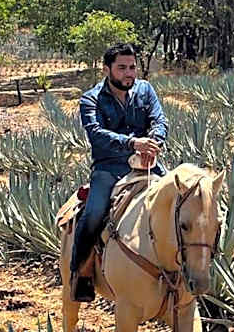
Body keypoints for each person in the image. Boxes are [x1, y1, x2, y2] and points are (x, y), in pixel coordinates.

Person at [70, 42, 168, 302]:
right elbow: (96, 133)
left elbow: (159, 120)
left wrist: (154, 142)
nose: (129, 73)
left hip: (148, 163)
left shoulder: (145, 90)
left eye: (132, 67)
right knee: (92, 215)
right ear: (107, 69)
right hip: (109, 167)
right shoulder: (91, 99)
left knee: (180, 202)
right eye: (122, 68)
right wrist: (132, 143)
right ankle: (80, 274)